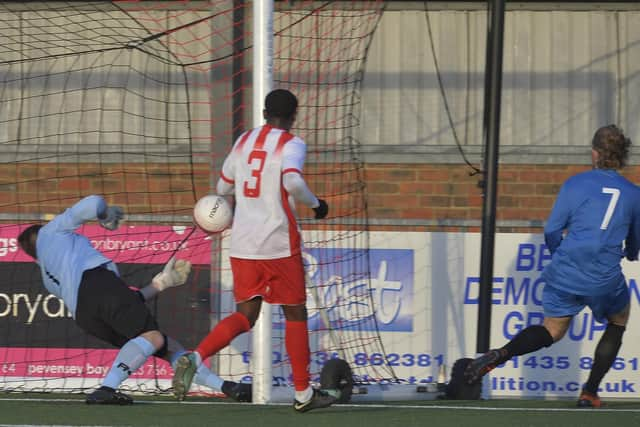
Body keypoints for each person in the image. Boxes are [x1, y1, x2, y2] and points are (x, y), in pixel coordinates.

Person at [171, 89, 335, 412]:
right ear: (294, 115)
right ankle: (303, 394)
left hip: (243, 245)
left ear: (263, 112)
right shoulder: (292, 143)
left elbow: (222, 188)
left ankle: (195, 355)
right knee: (295, 312)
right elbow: (292, 182)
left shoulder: (244, 140)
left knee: (246, 315)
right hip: (277, 243)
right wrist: (317, 205)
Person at [464, 125, 640, 408]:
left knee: (553, 330)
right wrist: (631, 253)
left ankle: (501, 353)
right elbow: (634, 239)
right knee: (618, 319)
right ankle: (589, 392)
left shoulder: (574, 183)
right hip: (603, 276)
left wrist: (561, 254)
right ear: (623, 157)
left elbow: (553, 230)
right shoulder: (633, 193)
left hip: (566, 269)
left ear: (594, 153)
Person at [17, 195, 251, 404]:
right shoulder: (52, 231)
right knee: (154, 336)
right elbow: (93, 203)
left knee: (169, 348)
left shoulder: (49, 277)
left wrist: (161, 284)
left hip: (85, 316)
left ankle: (228, 388)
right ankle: (107, 388)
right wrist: (106, 215)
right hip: (98, 284)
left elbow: (122, 302)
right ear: (42, 232)